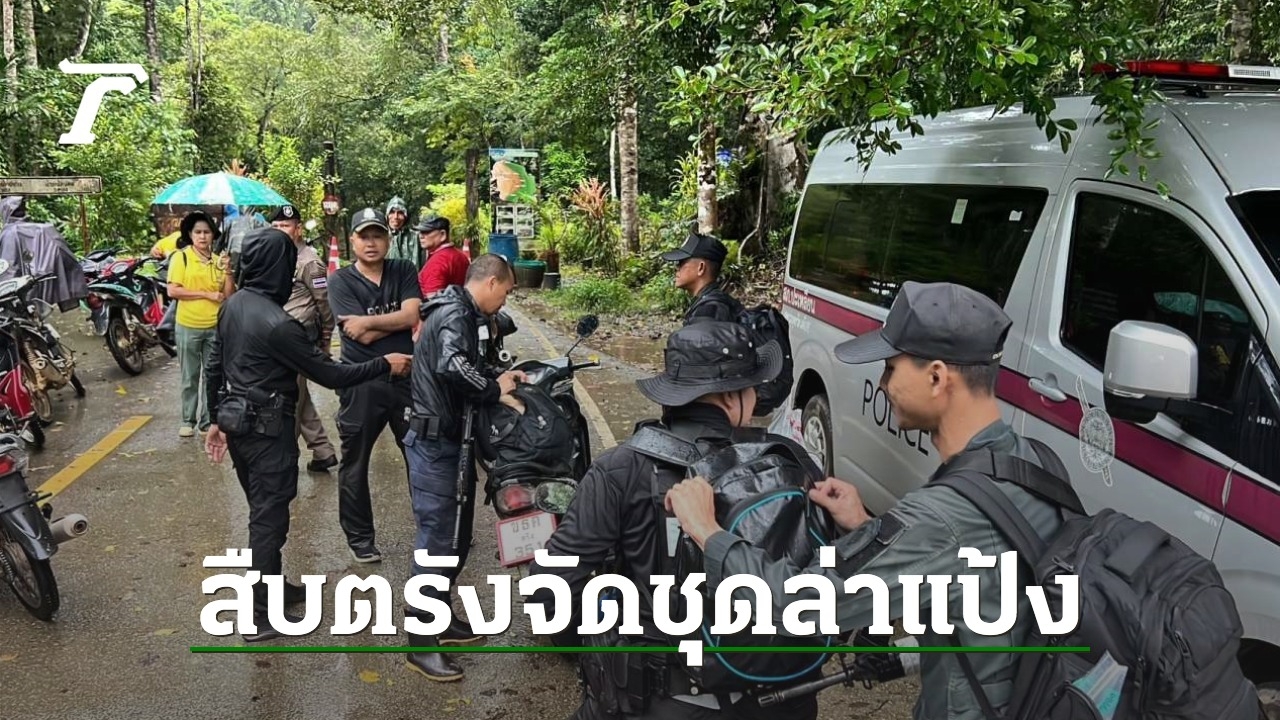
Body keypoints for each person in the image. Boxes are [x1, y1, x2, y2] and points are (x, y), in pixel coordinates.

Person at [665, 281, 1068, 720]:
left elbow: (802, 605)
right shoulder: (1035, 462)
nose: (882, 382)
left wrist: (709, 532)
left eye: (891, 368)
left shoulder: (944, 515)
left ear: (936, 377)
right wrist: (866, 528)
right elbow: (973, 575)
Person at [525, 320, 817, 720]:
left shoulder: (620, 470)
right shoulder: (789, 464)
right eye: (753, 389)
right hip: (777, 699)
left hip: (659, 700)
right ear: (732, 397)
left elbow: (548, 594)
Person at [202, 227, 412, 641]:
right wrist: (383, 364)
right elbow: (330, 374)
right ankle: (258, 615)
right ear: (276, 268)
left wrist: (216, 418)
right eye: (288, 264)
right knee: (269, 519)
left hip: (240, 425)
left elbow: (215, 363)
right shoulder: (278, 324)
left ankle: (274, 588)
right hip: (266, 428)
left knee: (263, 508)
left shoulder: (235, 305)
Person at [402, 253, 525, 682]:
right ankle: (420, 642)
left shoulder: (462, 310)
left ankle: (440, 619)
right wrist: (493, 388)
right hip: (435, 445)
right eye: (506, 291)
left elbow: (463, 362)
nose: (504, 301)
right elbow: (452, 366)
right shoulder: (456, 311)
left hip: (451, 441)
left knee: (455, 538)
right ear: (491, 282)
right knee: (437, 542)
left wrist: (502, 375)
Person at [327, 207, 422, 563]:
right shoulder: (340, 281)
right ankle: (361, 538)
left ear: (388, 238)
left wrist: (370, 322)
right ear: (352, 240)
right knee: (355, 462)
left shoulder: (403, 270)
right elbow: (356, 337)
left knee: (421, 454)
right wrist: (391, 323)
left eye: (377, 235)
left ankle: (432, 524)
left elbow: (412, 316)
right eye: (364, 236)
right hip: (362, 381)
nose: (371, 243)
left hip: (406, 379)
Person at [270, 203, 339, 473]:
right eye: (275, 227)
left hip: (298, 338)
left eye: (285, 226)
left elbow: (324, 304)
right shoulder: (277, 255)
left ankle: (284, 458)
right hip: (279, 336)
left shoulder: (309, 261)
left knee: (292, 400)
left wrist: (324, 341)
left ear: (297, 229)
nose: (280, 231)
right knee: (299, 394)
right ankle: (323, 451)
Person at [167, 210, 235, 438]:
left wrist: (227, 271)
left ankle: (208, 421)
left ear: (213, 236)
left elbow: (228, 295)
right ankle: (188, 419)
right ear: (190, 234)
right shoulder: (182, 257)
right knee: (190, 375)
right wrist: (206, 295)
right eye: (198, 232)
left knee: (212, 375)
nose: (203, 237)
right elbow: (173, 290)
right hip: (188, 325)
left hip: (215, 327)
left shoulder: (219, 261)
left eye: (207, 232)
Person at [662, 232, 744, 325]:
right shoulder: (717, 301)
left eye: (681, 262)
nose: (676, 268)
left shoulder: (708, 312)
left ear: (701, 268)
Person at [415, 215, 470, 299]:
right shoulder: (461, 256)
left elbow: (434, 303)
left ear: (443, 234)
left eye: (427, 232)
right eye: (420, 232)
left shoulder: (437, 262)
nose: (421, 236)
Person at [385, 196, 423, 267]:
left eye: (400, 213)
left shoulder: (416, 237)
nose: (395, 217)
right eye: (392, 212)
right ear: (387, 215)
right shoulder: (381, 237)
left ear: (405, 216)